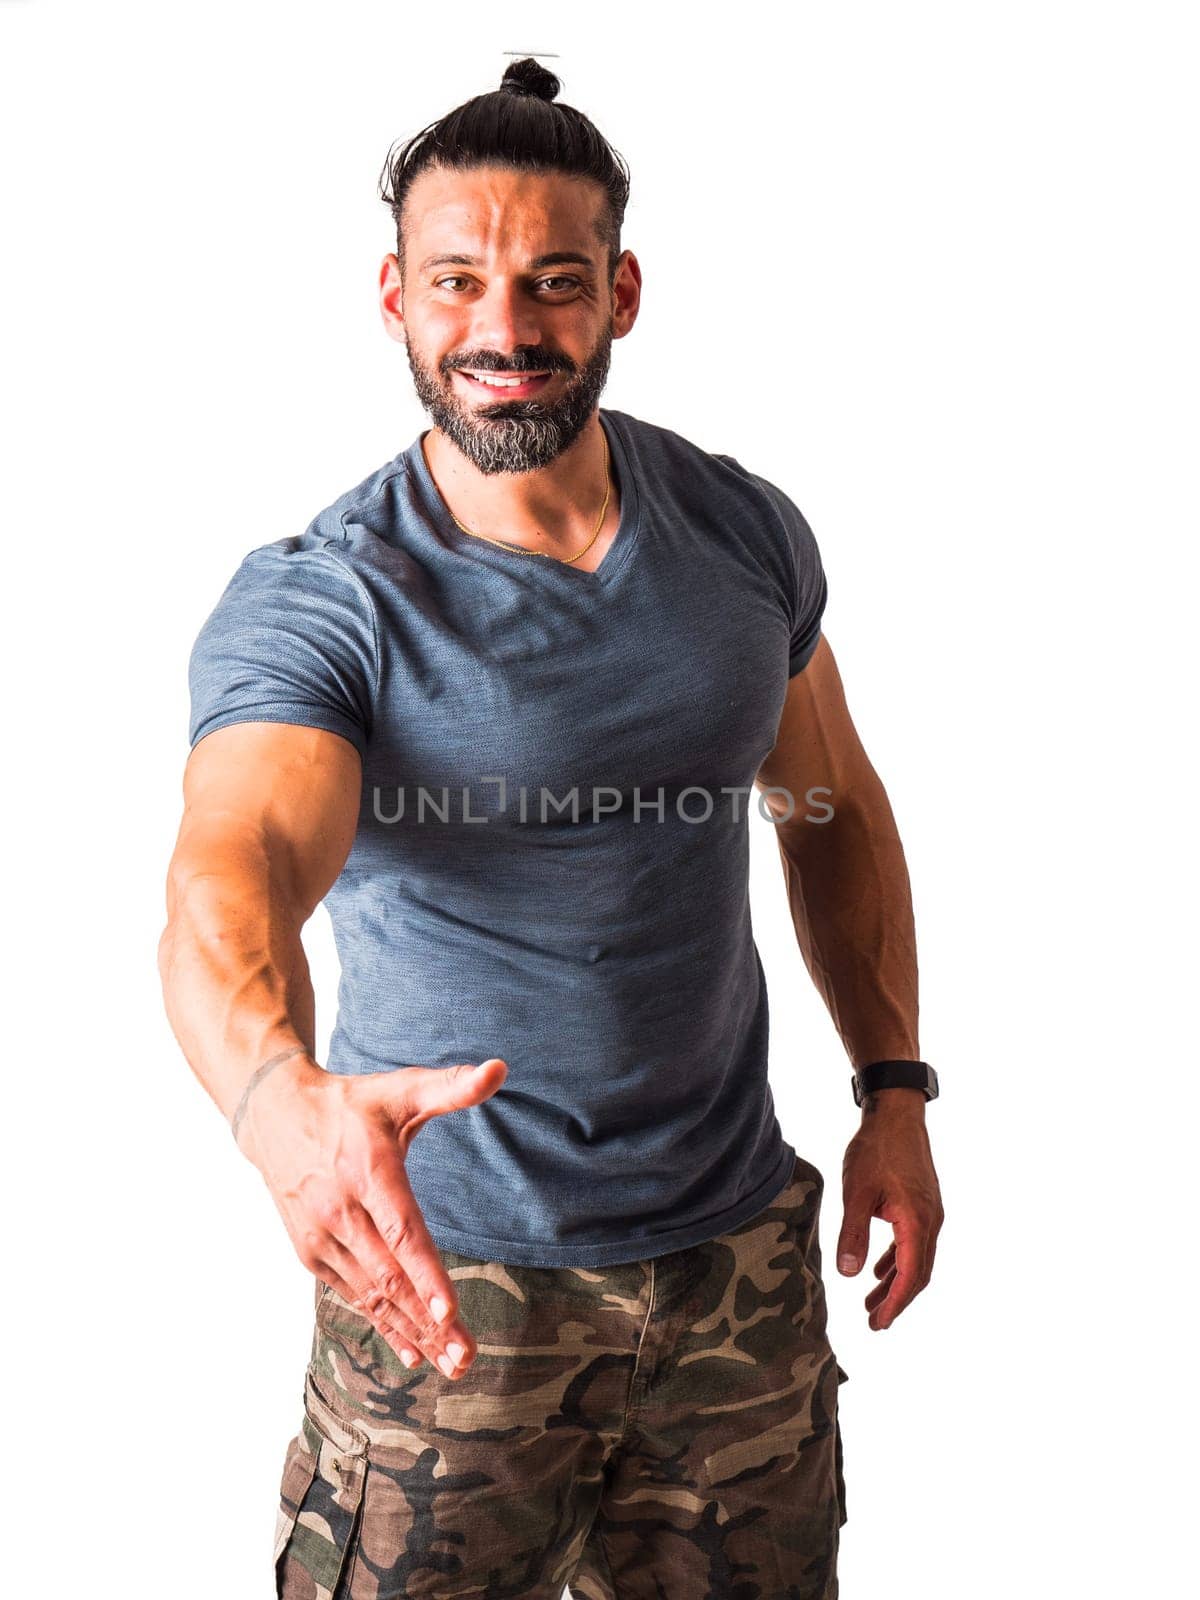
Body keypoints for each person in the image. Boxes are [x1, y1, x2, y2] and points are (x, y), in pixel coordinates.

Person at [158, 55, 944, 1600]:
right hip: (451, 1292)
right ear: (393, 296)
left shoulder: (740, 529)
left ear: (623, 293)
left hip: (737, 1274)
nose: (503, 331)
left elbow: (829, 801)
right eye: (457, 282)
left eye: (552, 283)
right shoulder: (329, 599)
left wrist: (896, 1088)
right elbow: (231, 864)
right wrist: (273, 1103)